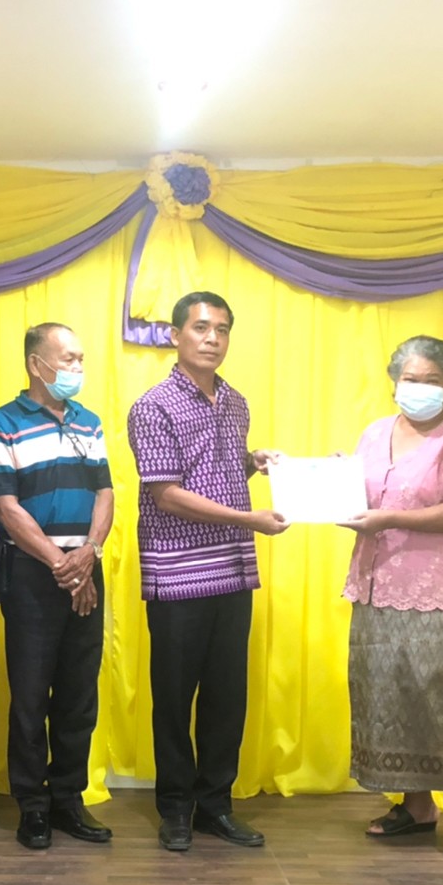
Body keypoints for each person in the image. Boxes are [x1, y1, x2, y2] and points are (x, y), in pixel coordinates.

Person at [127, 291, 288, 853]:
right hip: (177, 574)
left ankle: (216, 805)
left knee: (227, 695)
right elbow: (167, 493)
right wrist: (250, 519)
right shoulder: (153, 406)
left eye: (221, 329)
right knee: (174, 698)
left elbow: (215, 467)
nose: (212, 338)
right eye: (200, 327)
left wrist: (253, 462)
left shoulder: (235, 402)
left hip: (232, 570)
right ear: (175, 335)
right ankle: (175, 808)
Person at [338, 335, 443, 856]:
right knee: (392, 693)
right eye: (411, 379)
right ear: (394, 382)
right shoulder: (374, 433)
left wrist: (389, 518)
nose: (420, 388)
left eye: (433, 381)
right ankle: (417, 805)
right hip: (378, 584)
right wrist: (322, 482)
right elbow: (357, 496)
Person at [0, 323, 114, 850]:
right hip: (33, 574)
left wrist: (89, 553)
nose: (77, 368)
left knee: (79, 693)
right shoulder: (1, 424)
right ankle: (32, 805)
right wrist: (62, 565)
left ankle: (68, 800)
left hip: (85, 565)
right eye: (69, 358)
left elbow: (105, 493)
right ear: (37, 364)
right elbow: (5, 507)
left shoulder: (88, 422)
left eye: (81, 359)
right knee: (31, 695)